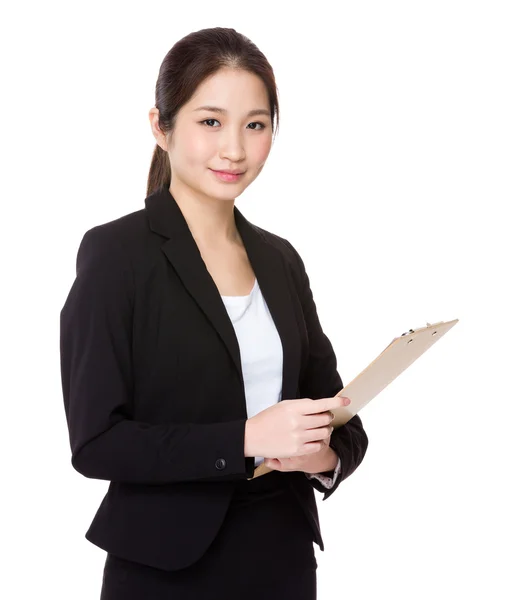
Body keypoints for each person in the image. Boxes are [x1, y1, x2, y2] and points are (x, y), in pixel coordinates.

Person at [59, 26, 369, 600]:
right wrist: (245, 438)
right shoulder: (116, 255)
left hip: (282, 558)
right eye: (210, 122)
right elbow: (97, 443)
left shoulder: (280, 260)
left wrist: (322, 454)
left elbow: (336, 413)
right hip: (165, 569)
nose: (235, 148)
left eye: (255, 125)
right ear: (161, 126)